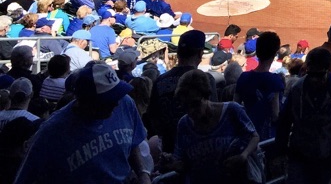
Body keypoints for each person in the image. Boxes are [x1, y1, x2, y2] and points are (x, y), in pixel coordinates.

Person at [12, 62, 151, 184]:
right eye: (108, 99)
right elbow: (27, 177)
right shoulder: (53, 132)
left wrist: (143, 173)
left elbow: (133, 144)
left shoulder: (124, 103)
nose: (115, 103)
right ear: (85, 100)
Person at [275, 45, 331, 184]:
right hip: (299, 155)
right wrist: (280, 151)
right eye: (311, 74)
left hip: (327, 157)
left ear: (328, 70)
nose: (314, 79)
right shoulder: (297, 88)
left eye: (319, 75)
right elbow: (284, 121)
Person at [171, 67, 260, 184]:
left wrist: (243, 156)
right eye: (186, 106)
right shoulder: (184, 124)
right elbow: (183, 163)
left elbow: (254, 136)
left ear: (206, 96)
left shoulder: (232, 111)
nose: (191, 111)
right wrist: (171, 164)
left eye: (195, 104)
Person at [233, 31, 285, 141]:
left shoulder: (244, 77)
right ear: (275, 53)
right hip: (268, 137)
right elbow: (275, 115)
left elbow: (235, 107)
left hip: (247, 133)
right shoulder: (275, 80)